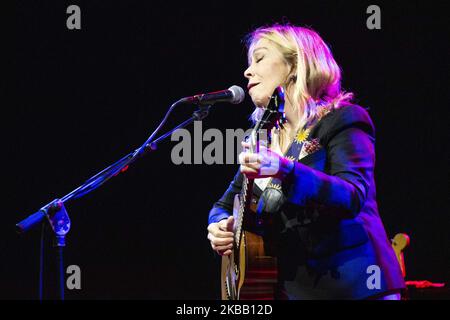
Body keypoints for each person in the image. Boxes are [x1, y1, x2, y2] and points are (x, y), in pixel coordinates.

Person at [206, 24, 405, 300]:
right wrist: (219, 226)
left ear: (296, 64)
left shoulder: (343, 119)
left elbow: (352, 195)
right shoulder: (261, 140)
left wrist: (285, 170)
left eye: (260, 58)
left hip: (356, 287)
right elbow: (223, 205)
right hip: (294, 291)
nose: (247, 71)